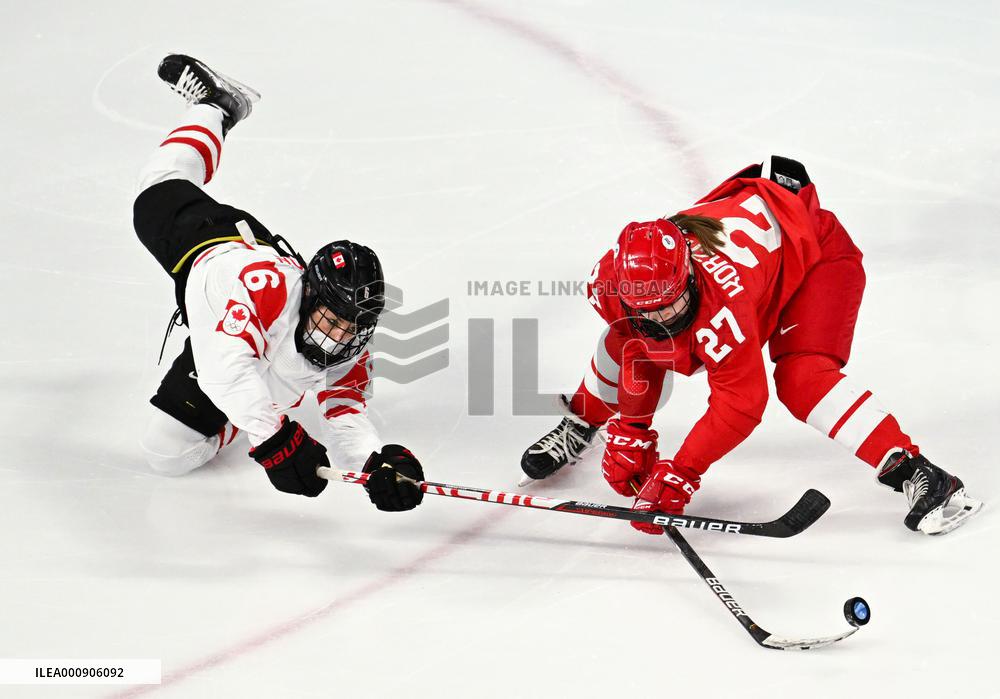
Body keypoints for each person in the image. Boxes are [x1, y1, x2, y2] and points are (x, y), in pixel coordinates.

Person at [520, 156, 982, 535]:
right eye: (648, 310)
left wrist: (682, 471)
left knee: (803, 380)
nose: (661, 318)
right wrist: (633, 428)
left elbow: (740, 405)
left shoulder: (724, 304)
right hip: (766, 256)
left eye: (671, 305)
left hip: (817, 258)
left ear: (690, 276)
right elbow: (635, 344)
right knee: (617, 338)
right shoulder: (610, 283)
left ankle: (919, 472)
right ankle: (583, 422)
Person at [133, 54, 422, 512]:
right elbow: (223, 371)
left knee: (166, 454)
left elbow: (345, 410)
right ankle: (217, 106)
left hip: (238, 342)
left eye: (352, 326)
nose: (340, 336)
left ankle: (244, 410)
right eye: (332, 319)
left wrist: (374, 463)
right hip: (211, 245)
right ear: (309, 295)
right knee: (157, 187)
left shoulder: (353, 336)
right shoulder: (262, 290)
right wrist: (272, 436)